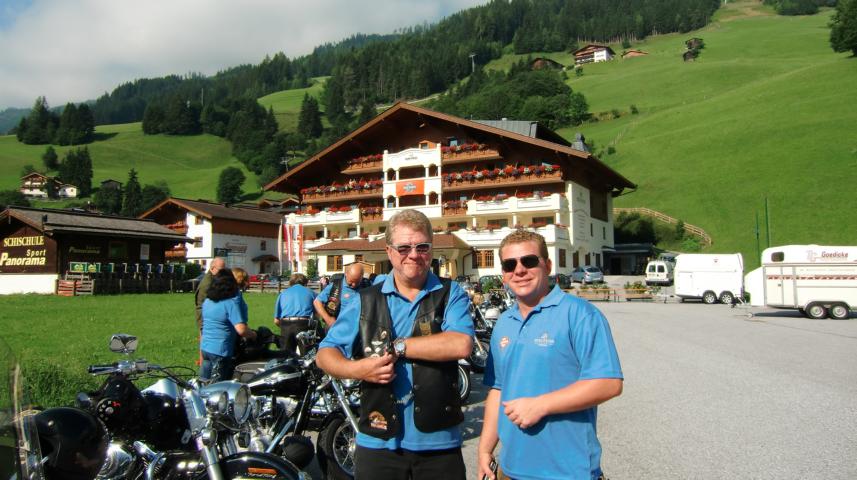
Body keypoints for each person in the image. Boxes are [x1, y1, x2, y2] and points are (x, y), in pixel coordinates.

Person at [316, 209, 473, 480]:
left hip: (439, 442)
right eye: (404, 248)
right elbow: (325, 354)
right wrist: (359, 370)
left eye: (422, 247)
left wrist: (399, 347)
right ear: (389, 251)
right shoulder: (365, 299)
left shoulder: (451, 293)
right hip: (377, 442)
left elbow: (461, 344)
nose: (414, 255)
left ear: (431, 249)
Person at [477, 230, 623, 480]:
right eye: (510, 264)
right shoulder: (504, 322)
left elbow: (609, 383)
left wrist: (540, 405)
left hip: (567, 471)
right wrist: (484, 449)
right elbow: (499, 389)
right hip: (510, 469)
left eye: (529, 261)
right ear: (504, 273)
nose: (519, 270)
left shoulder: (580, 315)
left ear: (547, 265)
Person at [200, 269, 257, 381]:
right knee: (218, 385)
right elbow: (241, 329)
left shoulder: (207, 302)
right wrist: (253, 334)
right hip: (220, 350)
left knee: (203, 381)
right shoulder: (230, 303)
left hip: (205, 348)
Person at [273, 273, 316, 354]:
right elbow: (316, 315)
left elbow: (276, 320)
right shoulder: (311, 293)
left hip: (286, 324)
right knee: (307, 355)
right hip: (304, 323)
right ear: (305, 283)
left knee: (285, 355)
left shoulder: (283, 294)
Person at [314, 263, 365, 328]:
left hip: (358, 327)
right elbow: (317, 302)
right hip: (337, 326)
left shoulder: (366, 285)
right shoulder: (335, 285)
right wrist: (328, 319)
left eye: (357, 282)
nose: (354, 285)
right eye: (351, 282)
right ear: (346, 273)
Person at [195, 257, 225, 331]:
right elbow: (200, 306)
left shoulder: (215, 279)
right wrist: (202, 327)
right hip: (208, 324)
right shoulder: (207, 284)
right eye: (221, 270)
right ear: (212, 268)